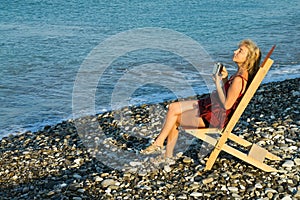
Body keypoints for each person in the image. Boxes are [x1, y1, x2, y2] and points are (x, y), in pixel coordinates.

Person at [141, 39, 261, 158]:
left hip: (215, 116)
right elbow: (229, 94)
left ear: (248, 59)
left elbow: (227, 105)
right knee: (173, 107)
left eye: (240, 51)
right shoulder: (238, 75)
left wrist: (217, 83)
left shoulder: (239, 80)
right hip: (212, 105)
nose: (235, 51)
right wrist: (225, 78)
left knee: (175, 118)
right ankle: (160, 145)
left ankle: (163, 149)